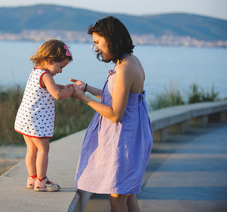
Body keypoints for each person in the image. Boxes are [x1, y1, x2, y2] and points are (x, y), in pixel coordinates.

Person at [71, 16, 153, 212]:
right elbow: (117, 96)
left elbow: (116, 113)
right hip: (133, 136)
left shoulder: (124, 69)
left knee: (117, 198)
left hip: (125, 140)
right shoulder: (131, 61)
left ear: (112, 38)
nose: (96, 49)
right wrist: (87, 88)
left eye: (98, 42)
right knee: (128, 195)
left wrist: (83, 98)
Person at [14, 39, 74, 192]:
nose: (61, 71)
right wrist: (72, 91)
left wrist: (64, 86)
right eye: (60, 66)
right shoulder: (46, 76)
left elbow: (51, 87)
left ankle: (31, 178)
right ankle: (42, 180)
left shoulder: (36, 72)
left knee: (31, 149)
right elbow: (58, 95)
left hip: (25, 119)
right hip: (37, 121)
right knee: (44, 149)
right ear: (50, 60)